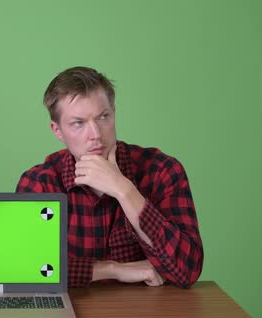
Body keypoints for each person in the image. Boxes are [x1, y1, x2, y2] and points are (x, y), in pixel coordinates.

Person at [16, 67, 203, 288]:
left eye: (103, 117)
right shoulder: (40, 183)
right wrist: (114, 270)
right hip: (76, 315)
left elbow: (187, 270)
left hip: (151, 317)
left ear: (113, 112)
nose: (95, 134)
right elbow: (25, 269)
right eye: (78, 123)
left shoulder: (162, 170)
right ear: (57, 131)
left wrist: (124, 190)